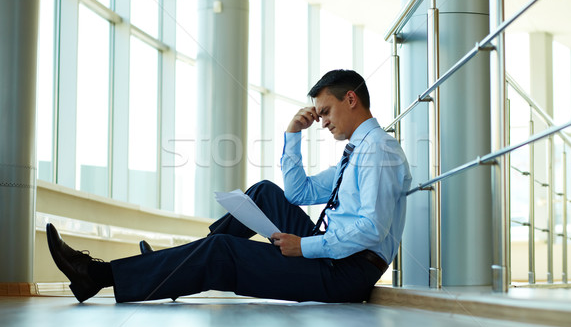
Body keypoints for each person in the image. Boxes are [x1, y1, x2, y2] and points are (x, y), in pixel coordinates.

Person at [46, 69, 412, 304]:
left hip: (347, 271)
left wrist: (305, 246)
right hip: (334, 253)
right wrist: (292, 136)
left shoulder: (379, 150)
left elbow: (371, 229)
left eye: (326, 111)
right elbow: (297, 193)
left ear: (351, 99)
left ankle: (97, 276)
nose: (323, 122)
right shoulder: (357, 152)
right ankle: (174, 263)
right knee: (266, 192)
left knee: (221, 252)